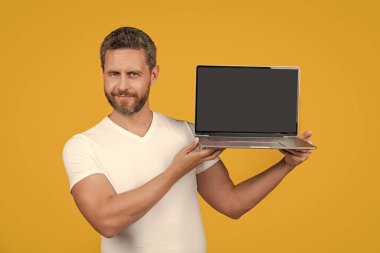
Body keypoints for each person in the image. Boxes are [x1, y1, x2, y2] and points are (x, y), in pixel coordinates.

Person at [62, 26, 313, 253]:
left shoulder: (186, 134)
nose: (122, 85)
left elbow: (232, 203)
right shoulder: (83, 145)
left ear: (154, 74)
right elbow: (107, 222)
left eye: (134, 74)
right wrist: (177, 170)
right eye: (114, 73)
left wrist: (285, 166)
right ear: (103, 73)